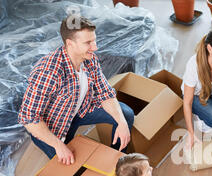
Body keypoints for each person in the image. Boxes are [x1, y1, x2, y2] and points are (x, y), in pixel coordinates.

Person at [18, 16, 134, 165]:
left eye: (94, 40)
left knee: (126, 115)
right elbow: (29, 118)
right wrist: (59, 146)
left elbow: (105, 93)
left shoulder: (89, 59)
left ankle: (118, 160)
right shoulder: (49, 72)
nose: (95, 47)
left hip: (81, 109)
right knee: (74, 166)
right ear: (70, 44)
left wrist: (122, 123)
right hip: (54, 126)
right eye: (88, 43)